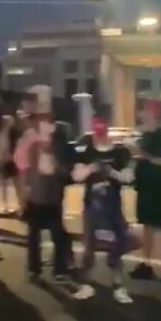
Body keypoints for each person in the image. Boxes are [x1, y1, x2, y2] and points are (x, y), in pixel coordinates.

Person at [70, 116, 135, 303]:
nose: (99, 137)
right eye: (96, 134)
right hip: (92, 206)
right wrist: (91, 168)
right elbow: (76, 176)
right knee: (89, 246)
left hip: (113, 206)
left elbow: (128, 177)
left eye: (102, 133)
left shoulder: (120, 152)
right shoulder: (86, 152)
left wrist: (111, 172)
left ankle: (118, 285)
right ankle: (87, 284)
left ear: (107, 132)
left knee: (118, 244)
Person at [15, 111, 74, 280]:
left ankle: (60, 268)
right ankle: (34, 268)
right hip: (36, 196)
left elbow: (65, 170)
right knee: (34, 235)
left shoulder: (59, 144)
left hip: (53, 196)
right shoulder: (32, 144)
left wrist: (54, 159)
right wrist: (23, 197)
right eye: (41, 123)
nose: (44, 127)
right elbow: (25, 170)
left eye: (47, 123)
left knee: (57, 234)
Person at [129, 100, 161, 288]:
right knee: (148, 228)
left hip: (159, 191)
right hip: (146, 189)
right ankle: (146, 265)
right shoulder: (145, 135)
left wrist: (141, 153)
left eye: (143, 110)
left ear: (151, 113)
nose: (140, 114)